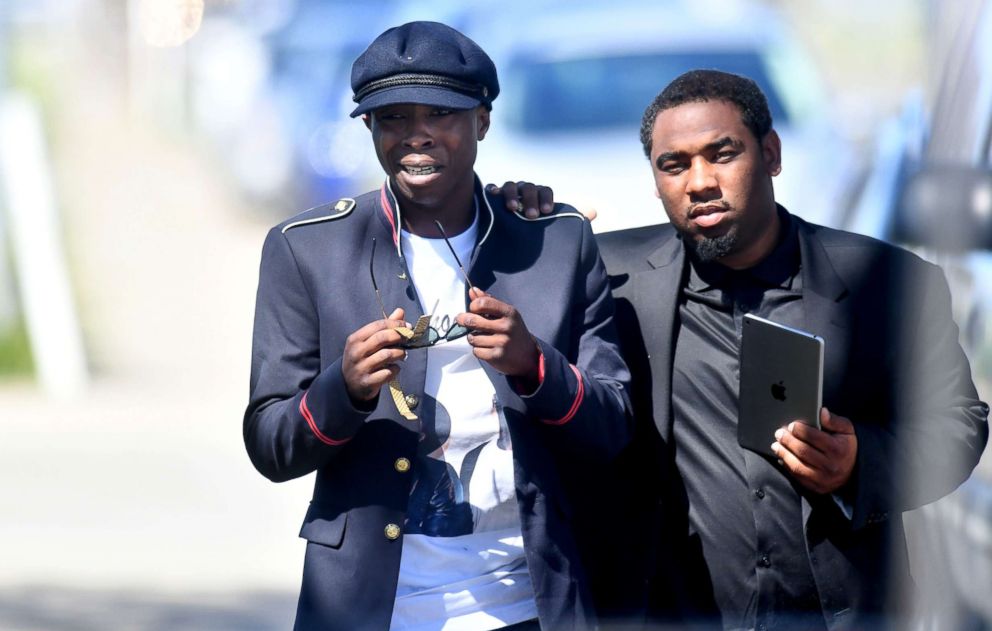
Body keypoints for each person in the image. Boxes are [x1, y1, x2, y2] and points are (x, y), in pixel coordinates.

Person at [243, 21, 631, 631]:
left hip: (532, 607)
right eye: (392, 117)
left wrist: (536, 369)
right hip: (370, 610)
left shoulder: (555, 240)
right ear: (368, 128)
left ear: (482, 120)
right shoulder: (306, 250)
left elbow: (613, 428)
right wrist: (341, 389)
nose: (416, 135)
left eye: (441, 114)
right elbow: (270, 445)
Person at [587, 70, 990, 629]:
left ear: (771, 154)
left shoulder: (888, 283)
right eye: (673, 165)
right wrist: (521, 212)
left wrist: (860, 463)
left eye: (721, 154)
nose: (699, 181)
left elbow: (959, 425)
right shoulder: (612, 278)